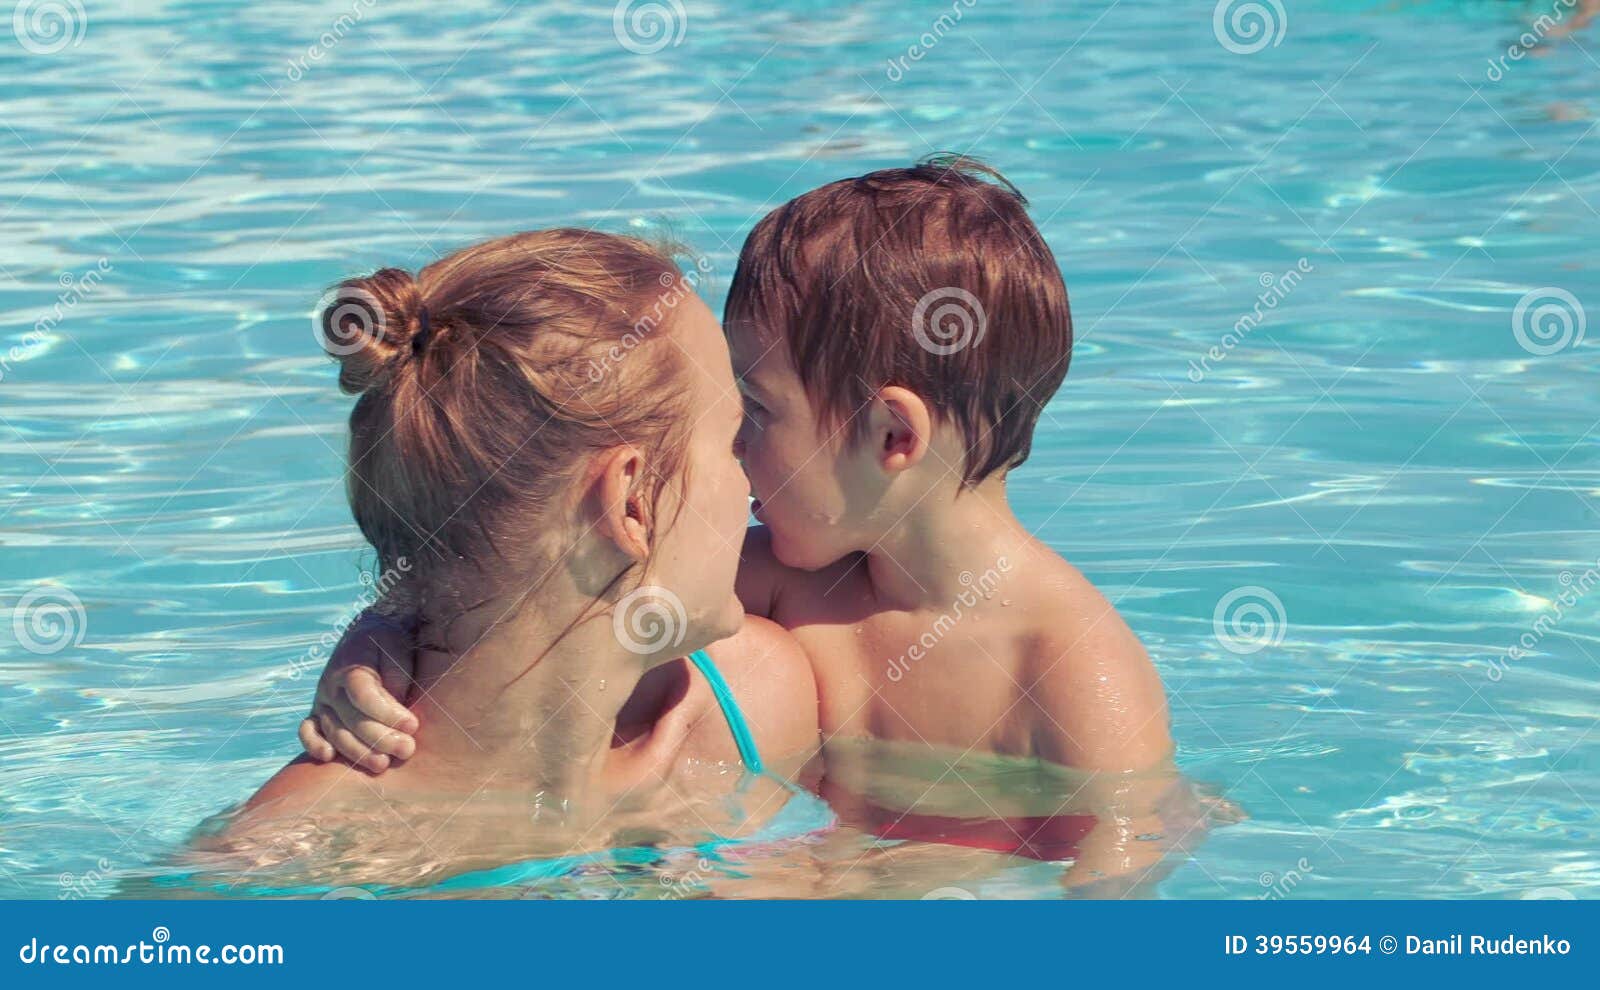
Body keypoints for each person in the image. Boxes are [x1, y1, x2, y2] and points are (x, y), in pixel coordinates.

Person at [209, 230, 822, 893]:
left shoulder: (756, 702)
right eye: (733, 440)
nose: (753, 478)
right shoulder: (286, 853)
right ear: (631, 504)